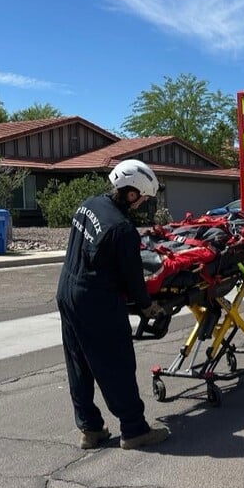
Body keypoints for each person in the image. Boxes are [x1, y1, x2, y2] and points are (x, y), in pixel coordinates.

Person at [56, 159, 170, 449]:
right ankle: (134, 430)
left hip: (67, 290)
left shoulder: (88, 204)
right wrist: (149, 306)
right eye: (143, 198)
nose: (143, 204)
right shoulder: (122, 229)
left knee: (78, 363)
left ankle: (90, 429)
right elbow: (133, 280)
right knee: (116, 363)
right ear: (131, 194)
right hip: (95, 300)